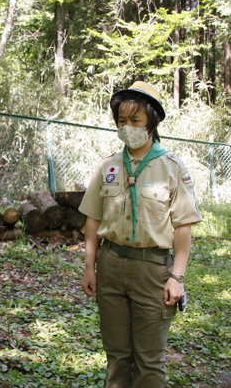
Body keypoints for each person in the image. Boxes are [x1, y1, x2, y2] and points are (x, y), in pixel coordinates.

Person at [78, 81, 202, 388]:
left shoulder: (172, 168)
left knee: (149, 361)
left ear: (151, 122)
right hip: (110, 265)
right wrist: (89, 267)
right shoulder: (108, 166)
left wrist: (177, 276)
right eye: (122, 121)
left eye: (136, 120)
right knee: (117, 355)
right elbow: (92, 221)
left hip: (152, 270)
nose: (128, 127)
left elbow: (183, 227)